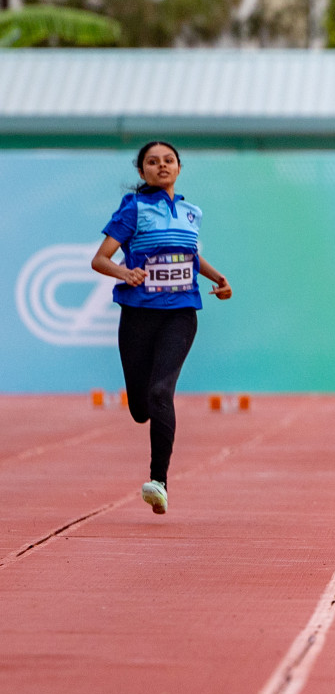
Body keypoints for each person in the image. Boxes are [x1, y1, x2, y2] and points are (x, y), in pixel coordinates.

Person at [90, 141, 233, 515]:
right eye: (152, 162)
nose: (161, 166)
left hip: (180, 313)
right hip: (138, 315)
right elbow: (100, 259)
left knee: (160, 393)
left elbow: (189, 254)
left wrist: (218, 277)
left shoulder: (190, 212)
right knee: (140, 407)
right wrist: (125, 271)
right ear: (143, 173)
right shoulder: (133, 209)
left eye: (168, 160)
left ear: (179, 167)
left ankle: (159, 482)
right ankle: (147, 415)